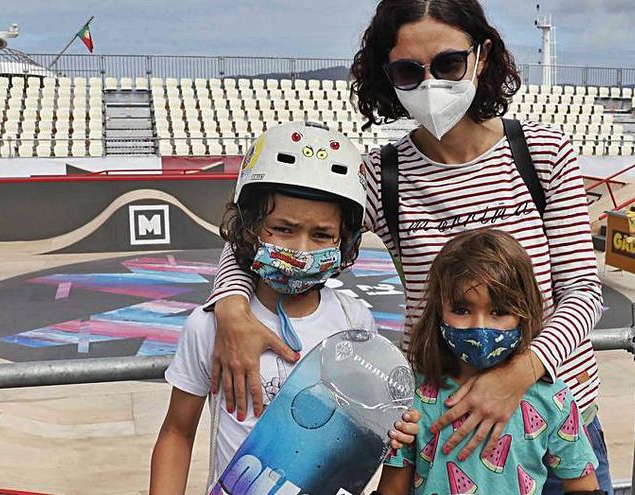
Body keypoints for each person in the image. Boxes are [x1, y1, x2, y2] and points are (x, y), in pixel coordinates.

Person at [207, 1, 613, 492]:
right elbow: (260, 233)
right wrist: (231, 309)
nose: (430, 84)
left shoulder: (542, 154)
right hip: (435, 426)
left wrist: (517, 376)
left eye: (447, 64)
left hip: (548, 424)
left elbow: (583, 291)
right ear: (387, 77)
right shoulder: (383, 176)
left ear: (481, 56)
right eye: (407, 71)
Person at [149, 123, 419, 494]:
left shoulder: (354, 322)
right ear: (248, 228)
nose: (302, 250)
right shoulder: (210, 326)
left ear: (347, 240)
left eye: (322, 235)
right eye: (283, 229)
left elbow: (357, 429)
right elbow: (177, 432)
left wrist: (391, 433)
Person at [376, 230, 603, 495]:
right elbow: (392, 489)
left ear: (525, 313)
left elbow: (584, 486)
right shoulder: (411, 398)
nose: (480, 326)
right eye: (462, 310)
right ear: (438, 312)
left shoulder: (555, 401)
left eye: (499, 312)